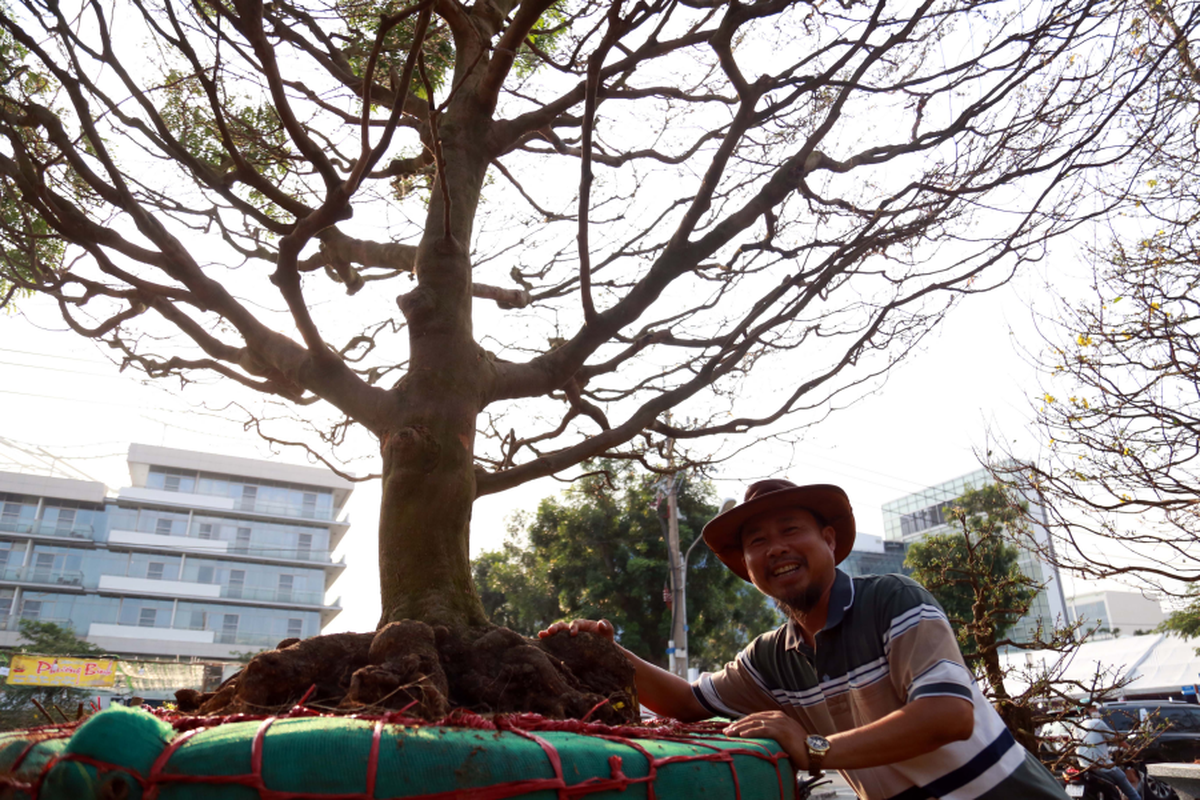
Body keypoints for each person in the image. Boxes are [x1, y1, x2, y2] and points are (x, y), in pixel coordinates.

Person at [540, 479, 1069, 799]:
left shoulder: (892, 600)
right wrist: (602, 650)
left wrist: (815, 747)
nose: (776, 548)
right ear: (747, 567)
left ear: (829, 541)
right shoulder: (771, 657)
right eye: (757, 541)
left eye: (791, 530)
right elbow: (685, 701)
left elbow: (947, 716)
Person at [1077, 704, 1142, 800]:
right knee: (1122, 779)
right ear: (1085, 710)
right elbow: (1116, 739)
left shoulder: (1075, 726)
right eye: (1093, 708)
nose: (1096, 710)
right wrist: (1131, 749)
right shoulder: (1097, 723)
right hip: (1101, 765)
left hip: (1083, 765)